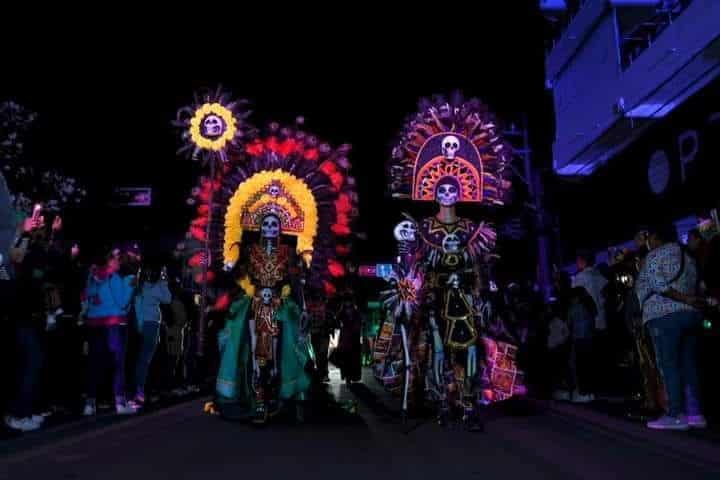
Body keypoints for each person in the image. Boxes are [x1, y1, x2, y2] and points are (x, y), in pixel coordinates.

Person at [636, 223, 707, 430]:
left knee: (668, 365)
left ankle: (675, 414)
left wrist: (681, 297)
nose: (647, 241)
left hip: (663, 315)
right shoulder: (687, 256)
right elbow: (700, 286)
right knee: (689, 364)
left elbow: (658, 285)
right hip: (689, 315)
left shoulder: (654, 256)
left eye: (649, 237)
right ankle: (695, 413)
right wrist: (689, 300)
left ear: (656, 237)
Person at [82, 252, 137, 416]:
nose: (118, 261)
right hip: (113, 324)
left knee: (94, 364)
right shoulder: (115, 278)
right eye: (115, 258)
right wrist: (130, 284)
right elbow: (123, 302)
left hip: (94, 324)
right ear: (109, 261)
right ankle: (120, 403)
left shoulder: (91, 276)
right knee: (117, 364)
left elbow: (85, 297)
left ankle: (90, 404)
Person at [131, 263, 172, 407]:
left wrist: (140, 324)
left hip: (143, 324)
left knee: (142, 358)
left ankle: (140, 390)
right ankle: (141, 391)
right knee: (147, 359)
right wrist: (163, 281)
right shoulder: (152, 288)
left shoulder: (140, 288)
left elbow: (137, 306)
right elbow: (167, 298)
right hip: (151, 324)